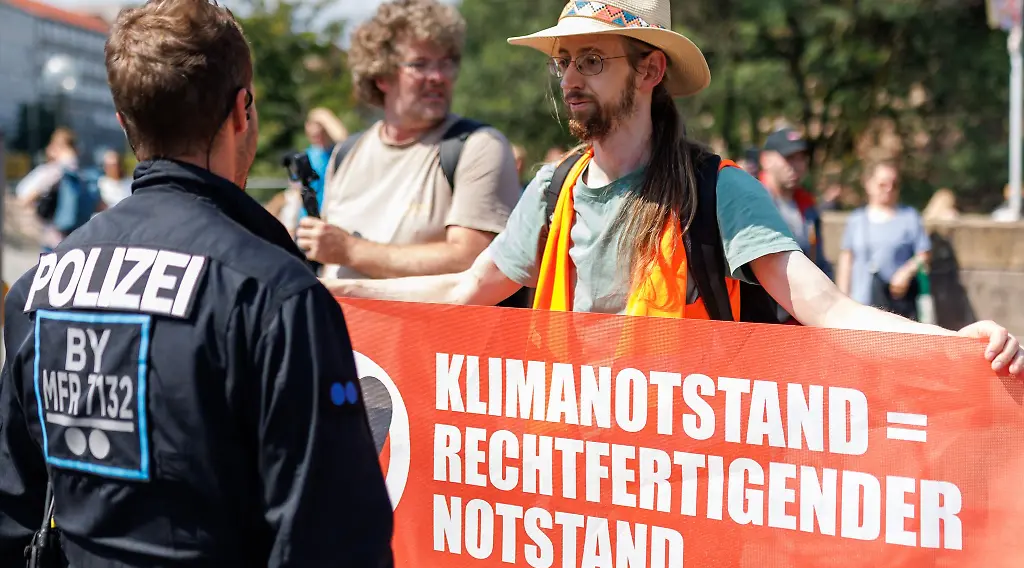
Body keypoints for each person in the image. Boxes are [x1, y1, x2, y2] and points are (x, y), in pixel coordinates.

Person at [320, 0, 1024, 377]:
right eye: (564, 61)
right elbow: (458, 291)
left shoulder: (719, 191)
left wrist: (958, 346)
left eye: (591, 60)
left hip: (683, 491)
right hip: (563, 478)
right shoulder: (551, 188)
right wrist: (332, 294)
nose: (569, 77)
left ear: (650, 71)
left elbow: (830, 309)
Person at [0, 0, 395, 568]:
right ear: (242, 110)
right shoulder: (275, 294)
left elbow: (11, 510)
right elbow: (333, 541)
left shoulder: (39, 288)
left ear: (123, 120)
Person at [296, 0, 522, 303]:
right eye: (420, 64)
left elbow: (474, 261)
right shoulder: (346, 152)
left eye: (446, 62)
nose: (439, 77)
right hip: (344, 342)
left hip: (426, 345)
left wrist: (352, 251)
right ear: (381, 75)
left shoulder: (478, 146)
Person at [836, 160, 932, 321]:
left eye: (894, 185)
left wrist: (906, 272)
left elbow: (924, 254)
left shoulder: (909, 217)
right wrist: (841, 299)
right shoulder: (856, 220)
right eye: (882, 184)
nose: (888, 189)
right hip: (860, 306)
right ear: (868, 184)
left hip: (896, 307)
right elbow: (847, 260)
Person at [759, 127, 831, 278]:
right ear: (765, 160)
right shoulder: (753, 203)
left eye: (801, 158)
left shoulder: (807, 205)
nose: (797, 166)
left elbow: (818, 261)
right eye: (789, 158)